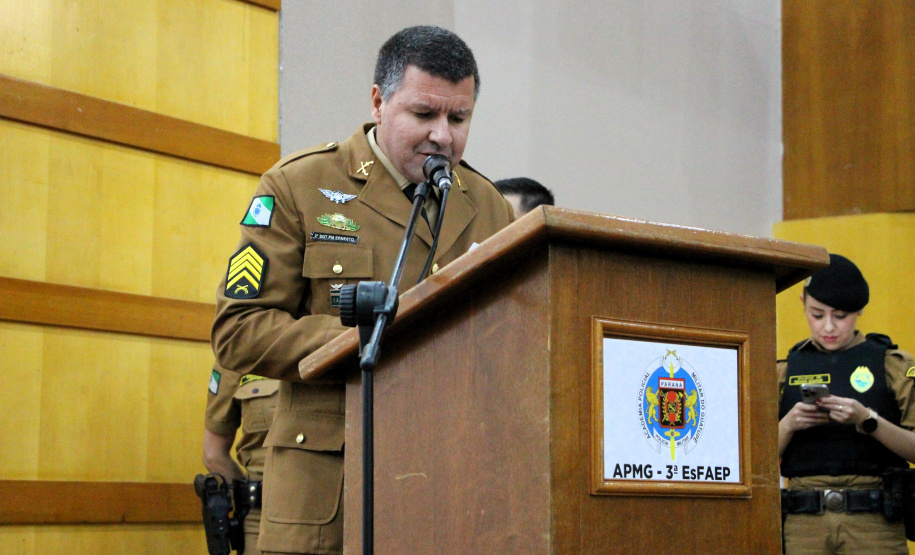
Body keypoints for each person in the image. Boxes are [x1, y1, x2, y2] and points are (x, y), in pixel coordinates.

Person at [211, 25, 514, 554]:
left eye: (458, 118)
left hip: (449, 487)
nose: (442, 135)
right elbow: (240, 331)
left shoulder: (488, 207)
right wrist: (369, 336)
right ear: (379, 102)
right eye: (424, 114)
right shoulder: (299, 185)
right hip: (329, 495)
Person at [778, 253, 915, 554]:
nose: (828, 327)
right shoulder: (784, 371)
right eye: (817, 314)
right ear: (802, 302)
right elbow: (750, 461)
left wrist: (868, 420)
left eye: (840, 316)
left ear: (859, 311)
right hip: (803, 523)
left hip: (874, 521)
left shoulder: (892, 365)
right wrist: (789, 424)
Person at [203, 365, 280, 555]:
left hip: (344, 519)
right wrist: (248, 493)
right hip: (262, 523)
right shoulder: (239, 349)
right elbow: (213, 454)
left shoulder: (350, 341)